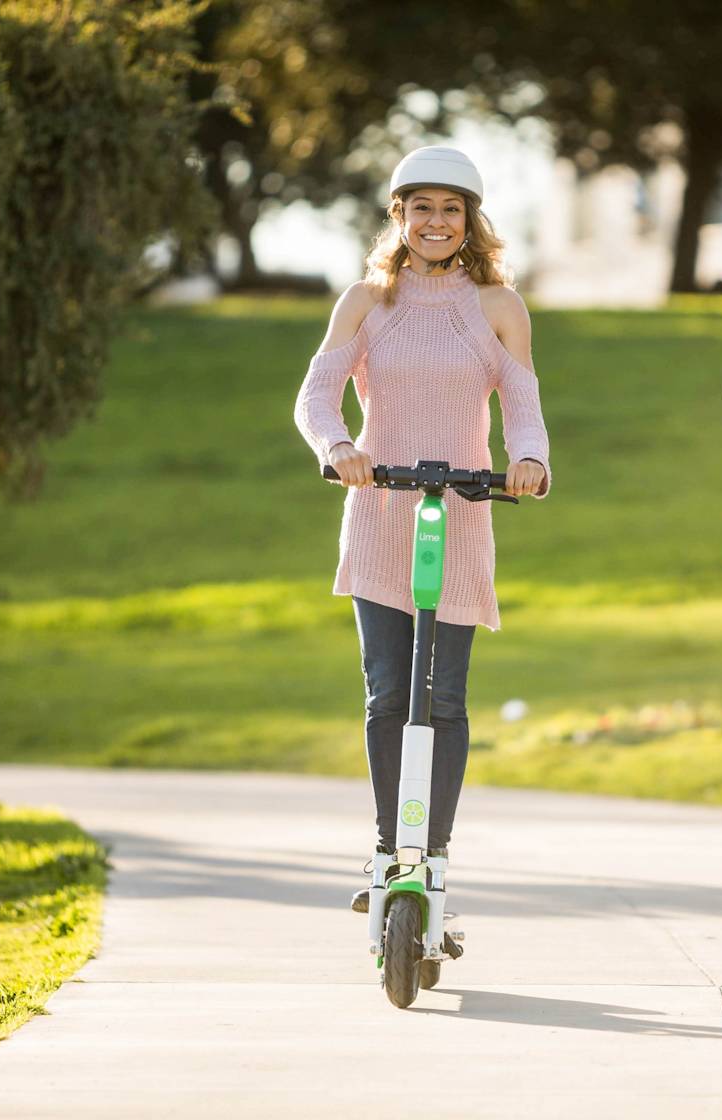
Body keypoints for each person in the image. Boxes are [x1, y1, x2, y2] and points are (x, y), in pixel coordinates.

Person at [293, 146, 550, 911]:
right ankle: (387, 852)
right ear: (399, 215)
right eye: (422, 208)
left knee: (443, 697)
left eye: (451, 209)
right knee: (387, 694)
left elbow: (522, 403)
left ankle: (431, 856)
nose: (436, 222)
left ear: (470, 219)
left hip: (460, 519)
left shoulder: (498, 306)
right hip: (380, 516)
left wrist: (529, 458)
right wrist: (337, 446)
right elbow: (316, 396)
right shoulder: (366, 302)